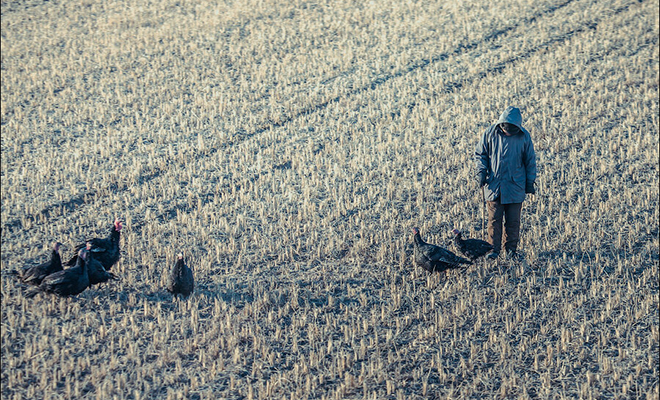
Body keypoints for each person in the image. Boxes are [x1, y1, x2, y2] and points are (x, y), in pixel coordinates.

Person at [475, 106, 537, 260]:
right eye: (506, 128)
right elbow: (480, 154)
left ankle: (511, 250)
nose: (508, 131)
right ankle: (493, 251)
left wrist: (530, 182)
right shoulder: (490, 133)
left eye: (512, 129)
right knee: (494, 221)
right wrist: (481, 172)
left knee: (513, 222)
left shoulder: (524, 137)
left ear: (518, 127)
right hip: (494, 186)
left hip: (516, 187)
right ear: (501, 124)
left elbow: (530, 161)